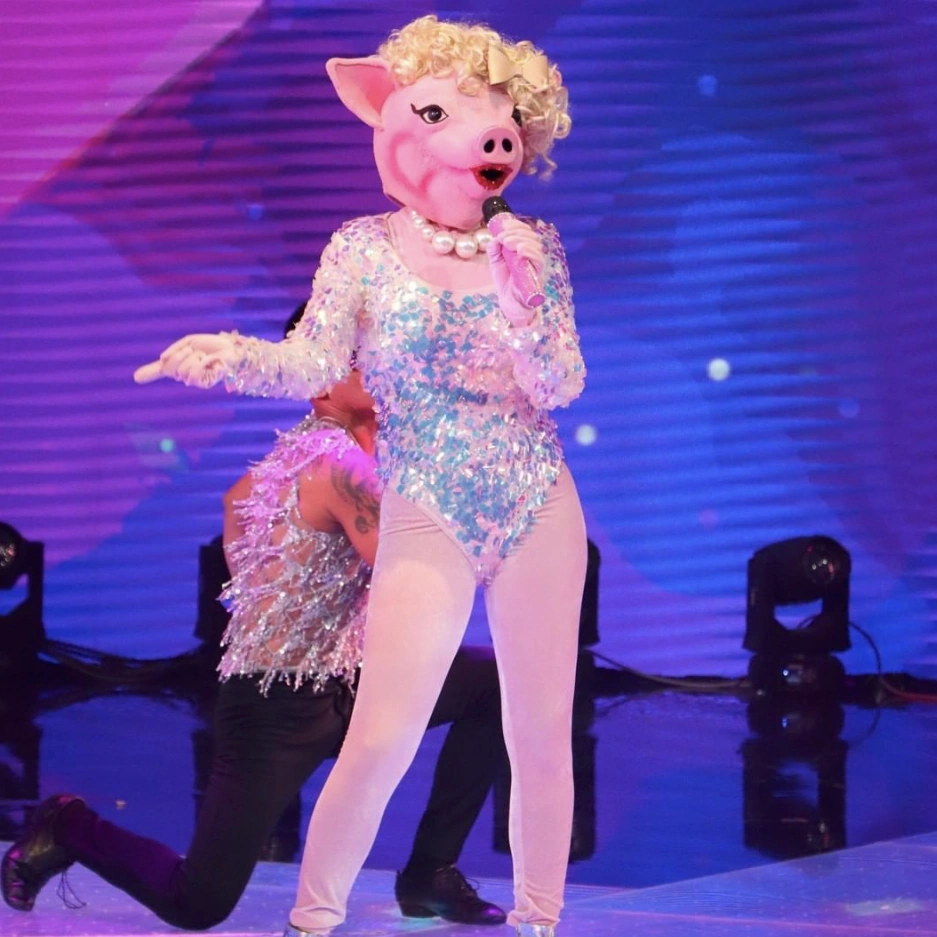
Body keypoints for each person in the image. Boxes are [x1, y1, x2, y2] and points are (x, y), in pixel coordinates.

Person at [130, 15, 586, 937]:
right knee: (380, 734)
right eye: (453, 115)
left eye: (503, 120)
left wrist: (525, 306)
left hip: (536, 495)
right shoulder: (363, 247)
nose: (491, 138)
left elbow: (562, 386)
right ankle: (312, 920)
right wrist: (228, 354)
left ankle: (540, 921)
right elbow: (311, 364)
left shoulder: (531, 245)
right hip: (426, 500)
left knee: (539, 731)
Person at [1, 313, 508, 930]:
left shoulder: (317, 450)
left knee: (491, 686)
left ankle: (429, 872)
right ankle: (68, 825)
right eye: (366, 360)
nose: (389, 371)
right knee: (197, 901)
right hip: (277, 707)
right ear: (320, 381)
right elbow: (425, 569)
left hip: (349, 683)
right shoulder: (340, 464)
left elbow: (236, 500)